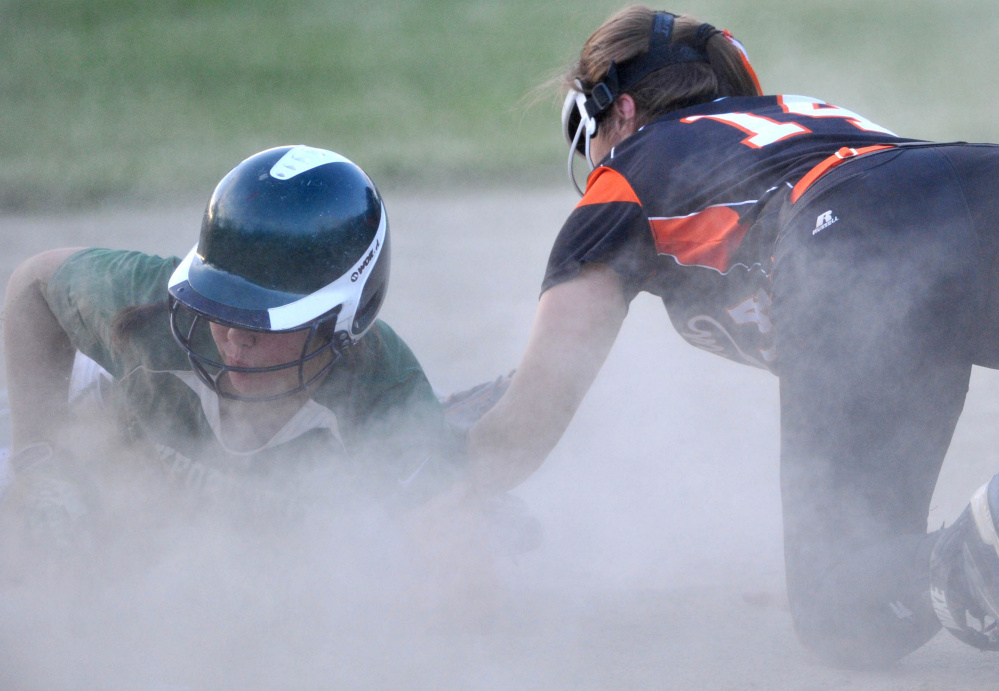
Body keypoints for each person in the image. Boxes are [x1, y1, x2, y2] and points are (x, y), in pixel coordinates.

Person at [466, 6, 999, 667]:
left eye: (591, 131)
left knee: (847, 612)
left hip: (852, 230)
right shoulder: (807, 115)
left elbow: (527, 419)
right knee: (873, 566)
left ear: (622, 112)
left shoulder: (626, 171)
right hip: (970, 181)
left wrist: (426, 486)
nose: (596, 151)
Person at [0, 144, 464, 554]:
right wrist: (37, 457)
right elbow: (33, 283)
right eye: (220, 304)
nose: (234, 335)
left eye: (266, 317)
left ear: (348, 317)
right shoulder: (154, 311)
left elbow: (459, 572)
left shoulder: (384, 391)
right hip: (97, 415)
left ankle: (459, 417)